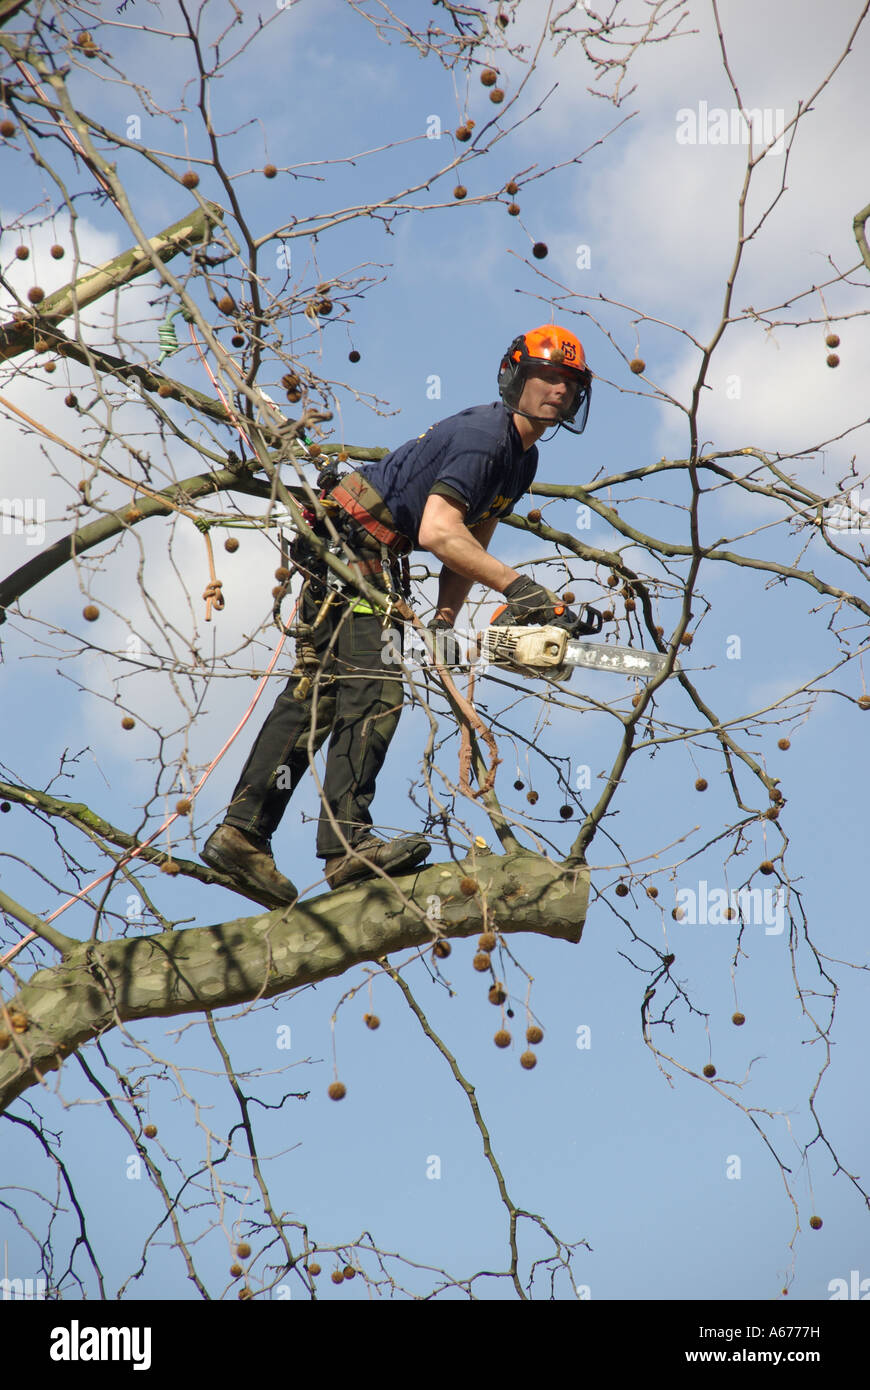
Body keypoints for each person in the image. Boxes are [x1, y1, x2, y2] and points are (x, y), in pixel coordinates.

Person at [202, 324, 594, 904]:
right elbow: (438, 531)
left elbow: (471, 530)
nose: (557, 390)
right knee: (376, 689)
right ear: (517, 375)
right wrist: (522, 588)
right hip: (352, 549)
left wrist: (444, 619)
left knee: (319, 696)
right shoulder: (487, 437)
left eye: (568, 382)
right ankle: (346, 847)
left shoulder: (521, 458)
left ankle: (242, 836)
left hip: (360, 550)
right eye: (546, 376)